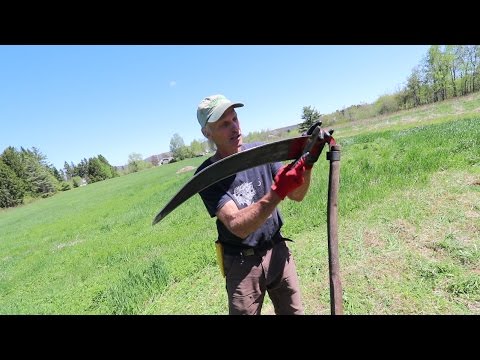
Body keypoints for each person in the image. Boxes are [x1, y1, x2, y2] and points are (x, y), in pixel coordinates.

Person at [194, 94, 317, 315]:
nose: (234, 127)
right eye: (224, 124)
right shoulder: (207, 175)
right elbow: (237, 225)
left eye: (235, 119)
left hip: (278, 250)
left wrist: (307, 163)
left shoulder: (262, 153)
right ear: (207, 133)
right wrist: (277, 192)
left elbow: (297, 195)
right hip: (242, 265)